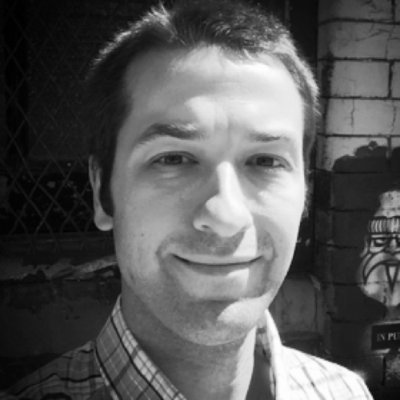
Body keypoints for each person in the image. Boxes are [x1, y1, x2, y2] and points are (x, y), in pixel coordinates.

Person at [2, 0, 373, 399]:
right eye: (173, 159)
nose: (226, 215)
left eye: (266, 161)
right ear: (101, 190)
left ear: (305, 193)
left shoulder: (346, 392)